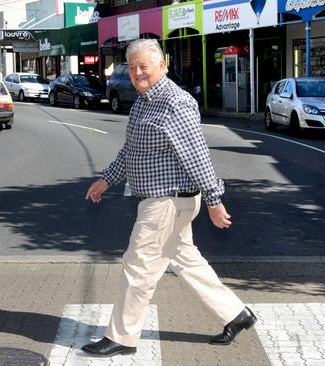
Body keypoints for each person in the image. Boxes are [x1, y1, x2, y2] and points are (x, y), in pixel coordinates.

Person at [81, 39, 256, 357]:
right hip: (167, 202)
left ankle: (122, 337)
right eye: (132, 68)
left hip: (166, 202)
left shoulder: (175, 103)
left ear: (163, 66)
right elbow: (132, 151)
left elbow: (196, 155)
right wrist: (106, 180)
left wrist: (215, 200)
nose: (137, 73)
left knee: (137, 267)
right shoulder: (142, 102)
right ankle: (237, 314)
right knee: (188, 262)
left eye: (143, 67)